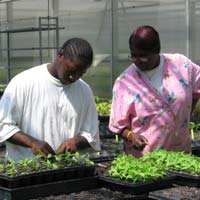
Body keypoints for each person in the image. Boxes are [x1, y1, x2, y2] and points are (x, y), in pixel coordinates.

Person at [0, 38, 101, 161]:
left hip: (66, 170)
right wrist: (33, 143)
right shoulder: (24, 82)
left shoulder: (84, 91)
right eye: (72, 70)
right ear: (60, 55)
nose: (74, 77)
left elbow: (91, 134)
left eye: (81, 73)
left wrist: (76, 142)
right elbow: (4, 126)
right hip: (25, 171)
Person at [109, 25, 200, 158]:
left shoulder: (181, 65)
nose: (137, 61)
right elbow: (117, 125)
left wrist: (185, 114)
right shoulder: (125, 82)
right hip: (145, 160)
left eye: (143, 56)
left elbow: (197, 89)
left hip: (181, 153)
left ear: (157, 50)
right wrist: (131, 135)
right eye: (133, 55)